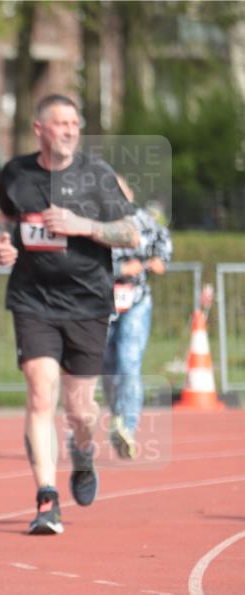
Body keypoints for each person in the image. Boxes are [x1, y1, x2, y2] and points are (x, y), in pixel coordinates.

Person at [0, 94, 138, 535]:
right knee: (40, 393)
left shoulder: (96, 175)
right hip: (33, 301)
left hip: (88, 304)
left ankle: (83, 452)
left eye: (75, 123)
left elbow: (131, 232)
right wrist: (4, 245)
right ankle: (46, 497)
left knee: (81, 411)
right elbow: (6, 221)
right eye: (61, 123)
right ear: (40, 129)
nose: (71, 130)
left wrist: (85, 226)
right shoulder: (16, 174)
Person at [103, 180, 173, 458]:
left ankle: (128, 427)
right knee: (107, 366)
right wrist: (120, 268)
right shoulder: (95, 224)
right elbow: (81, 262)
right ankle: (117, 414)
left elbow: (163, 245)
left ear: (131, 194)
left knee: (129, 361)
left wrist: (159, 262)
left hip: (137, 302)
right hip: (104, 302)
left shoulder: (145, 221)